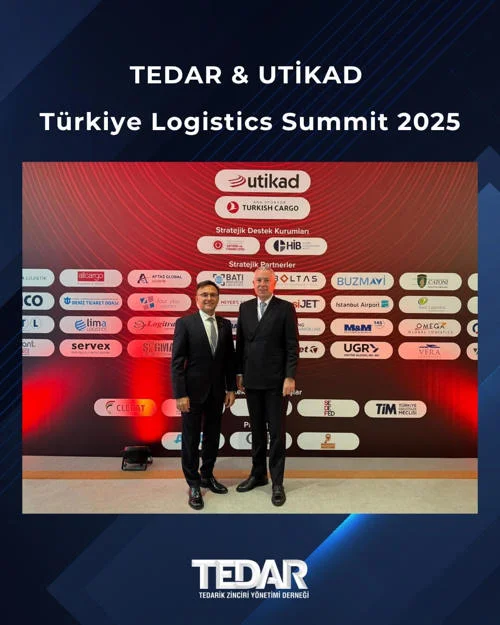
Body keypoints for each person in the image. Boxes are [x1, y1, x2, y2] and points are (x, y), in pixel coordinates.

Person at [235, 266, 299, 506]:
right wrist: (239, 373)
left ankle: (277, 482)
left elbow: (292, 345)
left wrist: (289, 377)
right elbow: (241, 344)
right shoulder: (245, 308)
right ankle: (258, 474)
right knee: (257, 431)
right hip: (251, 380)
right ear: (253, 284)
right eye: (258, 280)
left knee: (276, 433)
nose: (262, 284)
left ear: (274, 284)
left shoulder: (285, 308)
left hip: (276, 382)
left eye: (266, 280)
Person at [171, 280, 236, 510]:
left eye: (213, 295)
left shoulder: (225, 324)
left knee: (212, 436)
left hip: (217, 392)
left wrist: (231, 388)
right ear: (197, 298)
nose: (209, 298)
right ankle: (194, 483)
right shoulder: (185, 323)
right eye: (204, 294)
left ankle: (207, 475)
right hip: (192, 393)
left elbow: (229, 360)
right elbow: (177, 362)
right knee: (190, 439)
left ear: (218, 298)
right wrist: (180, 394)